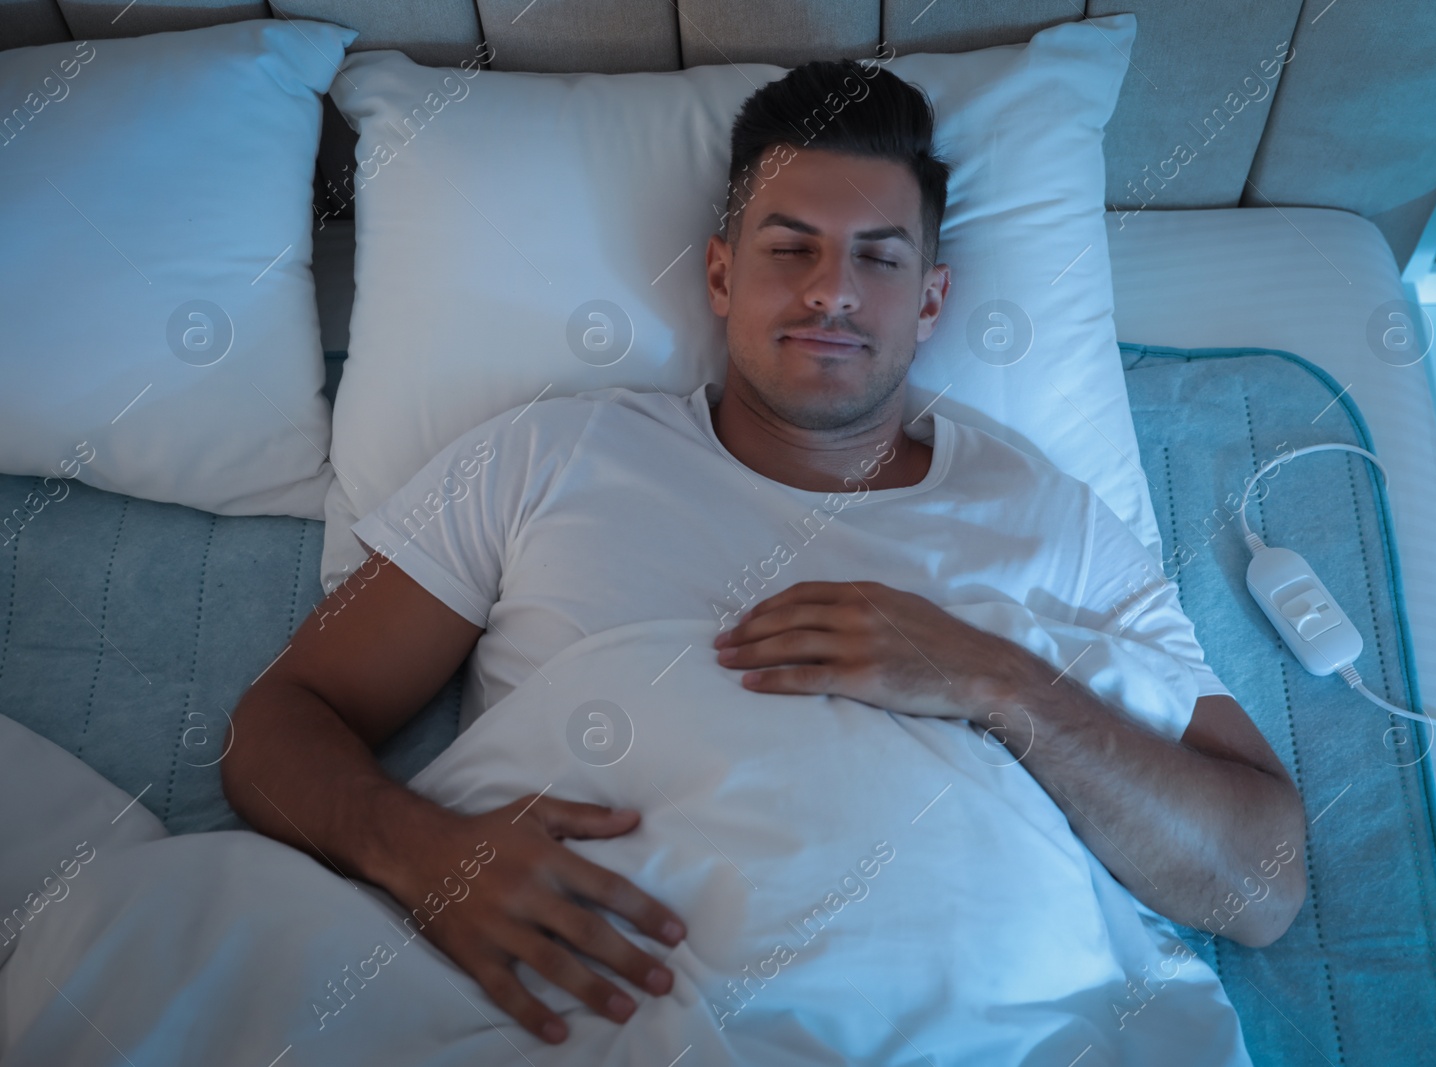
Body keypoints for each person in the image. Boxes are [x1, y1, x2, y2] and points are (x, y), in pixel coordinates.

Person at [222, 57, 1306, 1050]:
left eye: (878, 258)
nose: (832, 290)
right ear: (720, 276)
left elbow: (1260, 883)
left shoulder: (1049, 515)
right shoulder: (549, 455)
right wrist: (418, 854)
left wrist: (991, 676)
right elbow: (280, 721)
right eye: (790, 248)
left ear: (930, 300)